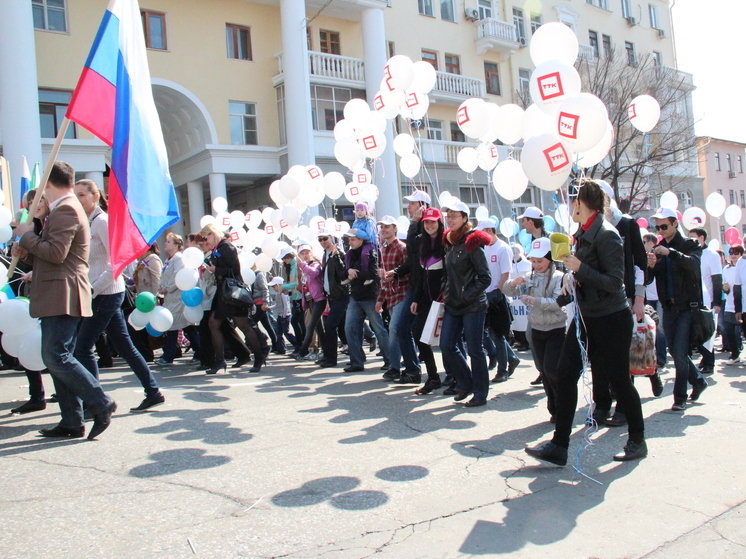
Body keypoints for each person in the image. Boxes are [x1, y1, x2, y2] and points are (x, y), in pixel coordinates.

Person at [526, 179, 646, 465]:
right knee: (565, 375)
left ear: (582, 203)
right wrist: (571, 278)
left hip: (610, 320)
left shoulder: (608, 235)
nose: (569, 206)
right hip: (585, 317)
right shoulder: (582, 232)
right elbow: (585, 273)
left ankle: (637, 439)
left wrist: (580, 268)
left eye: (573, 201)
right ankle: (559, 446)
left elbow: (615, 282)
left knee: (620, 382)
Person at [13, 161, 116, 439]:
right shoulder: (64, 208)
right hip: (59, 290)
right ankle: (72, 421)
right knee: (60, 356)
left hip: (63, 291)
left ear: (47, 183)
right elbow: (57, 254)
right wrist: (27, 251)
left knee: (55, 356)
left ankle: (100, 402)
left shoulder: (67, 208)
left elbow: (57, 253)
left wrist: (27, 236)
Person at [71, 179, 165, 413]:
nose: (78, 199)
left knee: (82, 347)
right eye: (76, 195)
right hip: (102, 293)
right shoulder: (88, 222)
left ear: (95, 196)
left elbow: (116, 263)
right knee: (125, 347)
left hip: (106, 293)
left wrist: (93, 289)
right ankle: (153, 391)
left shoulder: (102, 221)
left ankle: (95, 403)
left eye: (82, 194)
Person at [648, 207, 708, 411]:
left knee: (680, 352)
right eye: (657, 227)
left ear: (675, 223)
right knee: (674, 351)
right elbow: (650, 278)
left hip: (687, 307)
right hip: (668, 306)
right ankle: (698, 381)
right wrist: (651, 265)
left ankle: (679, 397)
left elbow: (693, 265)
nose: (661, 230)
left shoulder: (689, 244)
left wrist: (671, 253)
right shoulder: (659, 247)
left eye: (664, 226)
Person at [503, 237, 566, 422]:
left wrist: (534, 301)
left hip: (556, 329)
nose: (537, 265)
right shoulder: (529, 277)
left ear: (550, 259)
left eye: (541, 261)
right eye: (534, 261)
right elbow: (507, 290)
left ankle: (562, 407)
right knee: (544, 371)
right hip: (537, 330)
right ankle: (553, 408)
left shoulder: (559, 278)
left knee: (552, 369)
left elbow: (557, 303)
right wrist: (513, 283)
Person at [439, 201, 492, 408]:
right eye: (448, 216)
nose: (449, 219)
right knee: (446, 345)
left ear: (464, 219)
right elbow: (447, 274)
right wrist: (446, 290)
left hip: (473, 305)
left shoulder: (473, 242)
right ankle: (466, 383)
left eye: (454, 216)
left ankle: (480, 393)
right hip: (453, 304)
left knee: (475, 350)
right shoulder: (450, 243)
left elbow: (484, 278)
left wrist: (466, 296)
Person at [201, 223, 269, 374]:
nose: (205, 241)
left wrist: (216, 269)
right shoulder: (218, 248)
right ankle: (220, 361)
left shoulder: (227, 247)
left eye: (206, 237)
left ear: (212, 234)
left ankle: (259, 356)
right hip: (223, 292)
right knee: (213, 323)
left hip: (232, 292)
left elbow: (235, 270)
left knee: (244, 325)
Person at [377, 215, 418, 384]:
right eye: (382, 227)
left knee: (395, 329)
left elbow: (409, 272)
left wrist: (393, 276)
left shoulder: (402, 248)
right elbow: (382, 277)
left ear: (395, 228)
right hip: (391, 296)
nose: (384, 230)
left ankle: (395, 367)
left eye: (388, 227)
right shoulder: (383, 250)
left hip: (403, 293)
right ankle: (405, 366)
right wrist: (380, 298)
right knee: (399, 330)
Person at [410, 207, 447, 395]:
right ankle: (433, 378)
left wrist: (447, 295)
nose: (429, 225)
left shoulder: (446, 242)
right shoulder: (421, 243)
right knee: (419, 336)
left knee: (448, 341)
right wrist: (416, 299)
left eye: (433, 221)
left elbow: (450, 275)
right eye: (426, 222)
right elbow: (421, 276)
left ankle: (455, 376)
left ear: (440, 223)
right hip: (425, 300)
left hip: (444, 301)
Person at [343, 229, 390, 373]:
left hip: (370, 296)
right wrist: (348, 272)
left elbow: (374, 272)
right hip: (355, 296)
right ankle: (356, 362)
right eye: (349, 240)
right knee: (350, 328)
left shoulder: (371, 252)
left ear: (361, 240)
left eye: (353, 240)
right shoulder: (350, 255)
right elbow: (343, 272)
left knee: (379, 329)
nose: (350, 243)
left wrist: (354, 273)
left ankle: (390, 360)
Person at [478, 219, 520, 383]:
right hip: (485, 293)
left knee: (498, 334)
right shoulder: (484, 247)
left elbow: (505, 273)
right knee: (489, 333)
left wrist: (499, 292)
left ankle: (502, 370)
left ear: (489, 230)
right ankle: (512, 357)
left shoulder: (502, 248)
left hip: (497, 295)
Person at [156, 232, 201, 366]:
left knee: (174, 326)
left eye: (169, 242)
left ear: (176, 245)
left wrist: (167, 288)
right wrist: (161, 286)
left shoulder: (178, 259)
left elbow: (178, 276)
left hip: (177, 297)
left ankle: (169, 355)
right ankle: (198, 351)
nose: (165, 243)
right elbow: (165, 275)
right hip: (171, 297)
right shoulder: (169, 259)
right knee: (184, 326)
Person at [689, 227, 723, 375]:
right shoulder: (690, 254)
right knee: (696, 332)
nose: (691, 240)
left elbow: (717, 280)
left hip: (707, 300)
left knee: (707, 331)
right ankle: (704, 358)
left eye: (694, 237)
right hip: (693, 299)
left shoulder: (712, 255)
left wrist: (717, 302)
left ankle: (710, 362)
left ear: (702, 238)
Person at [316, 229, 348, 368]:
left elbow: (343, 274)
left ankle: (331, 358)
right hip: (331, 296)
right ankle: (356, 355)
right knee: (342, 327)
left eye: (325, 238)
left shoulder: (339, 253)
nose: (322, 242)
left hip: (341, 295)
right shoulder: (325, 254)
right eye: (320, 240)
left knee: (330, 326)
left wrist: (336, 257)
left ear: (331, 238)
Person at [126, 242, 163, 362]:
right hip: (142, 299)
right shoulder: (142, 260)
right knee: (138, 326)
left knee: (150, 327)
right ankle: (145, 353)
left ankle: (148, 353)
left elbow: (157, 279)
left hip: (150, 299)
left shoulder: (153, 259)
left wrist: (156, 298)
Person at [293, 244, 326, 360]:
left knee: (310, 325)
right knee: (318, 328)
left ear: (311, 253)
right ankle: (326, 352)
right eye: (302, 253)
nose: (305, 255)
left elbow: (314, 273)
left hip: (319, 299)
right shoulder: (304, 268)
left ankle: (302, 351)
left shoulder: (314, 265)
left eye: (307, 253)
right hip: (310, 300)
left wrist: (301, 264)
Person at [643, 233, 668, 373]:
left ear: (651, 243)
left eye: (644, 241)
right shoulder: (641, 256)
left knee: (660, 329)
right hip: (648, 297)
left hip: (659, 297)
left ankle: (662, 359)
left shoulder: (660, 254)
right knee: (649, 329)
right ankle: (651, 359)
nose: (642, 243)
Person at [279, 248, 304, 350]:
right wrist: (288, 290)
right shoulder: (291, 266)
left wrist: (284, 287)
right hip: (295, 297)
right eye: (284, 258)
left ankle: (301, 346)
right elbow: (293, 284)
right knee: (299, 322)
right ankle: (300, 346)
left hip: (301, 297)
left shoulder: (297, 264)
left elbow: (298, 283)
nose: (285, 260)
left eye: (286, 257)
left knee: (298, 322)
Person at [722, 245, 743, 364]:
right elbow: (725, 287)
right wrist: (725, 289)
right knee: (728, 331)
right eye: (731, 253)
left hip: (743, 305)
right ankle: (735, 355)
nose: (733, 255)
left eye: (736, 253)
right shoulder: (726, 269)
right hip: (730, 305)